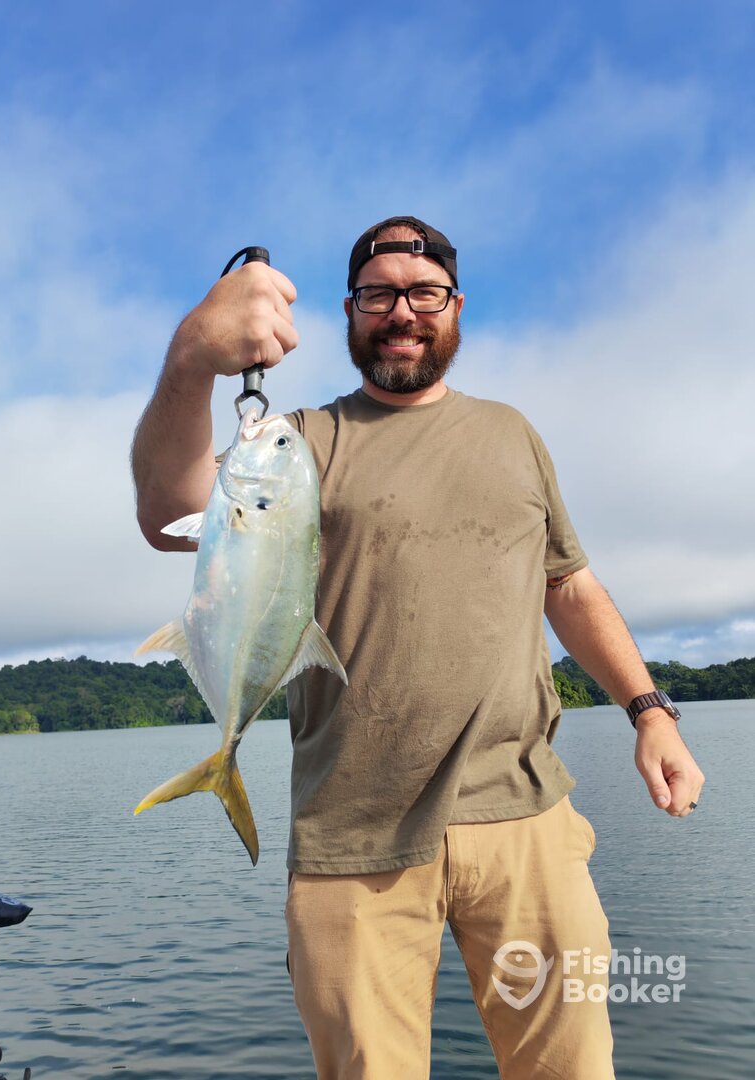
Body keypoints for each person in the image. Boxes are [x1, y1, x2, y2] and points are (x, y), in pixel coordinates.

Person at [131, 216, 705, 1080]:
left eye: (424, 293)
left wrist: (651, 711)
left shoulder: (514, 434)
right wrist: (192, 357)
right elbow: (167, 511)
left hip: (527, 820)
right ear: (350, 312)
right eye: (378, 295)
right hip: (351, 837)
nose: (402, 312)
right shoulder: (295, 444)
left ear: (456, 306)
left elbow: (570, 587)